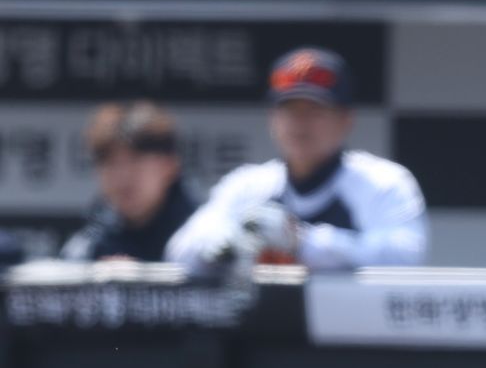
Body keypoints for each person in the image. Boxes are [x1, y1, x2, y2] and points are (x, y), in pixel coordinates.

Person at [166, 48, 427, 272]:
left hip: (351, 329)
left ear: (346, 119)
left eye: (315, 110)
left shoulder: (383, 182)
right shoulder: (247, 186)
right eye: (290, 109)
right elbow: (179, 253)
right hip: (261, 327)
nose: (300, 123)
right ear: (273, 119)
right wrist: (225, 242)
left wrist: (302, 242)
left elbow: (405, 256)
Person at [61, 102, 199, 263]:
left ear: (169, 165)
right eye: (111, 163)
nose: (123, 175)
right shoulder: (89, 245)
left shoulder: (202, 238)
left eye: (136, 160)